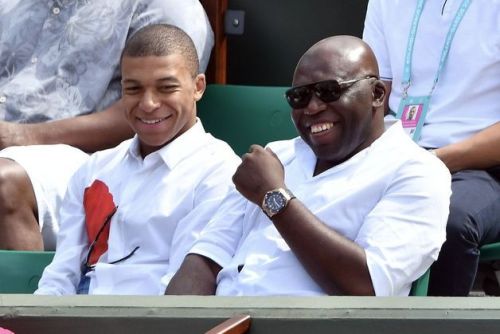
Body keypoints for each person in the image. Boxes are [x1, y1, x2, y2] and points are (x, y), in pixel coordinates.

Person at [165, 35, 451, 297]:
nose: (312, 108)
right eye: (299, 97)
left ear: (377, 94)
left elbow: (367, 285)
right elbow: (205, 258)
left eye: (329, 91)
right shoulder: (275, 156)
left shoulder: (417, 171)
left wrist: (273, 197)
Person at [35, 24, 240, 295]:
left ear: (197, 87)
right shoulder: (95, 168)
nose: (148, 103)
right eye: (133, 89)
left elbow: (188, 290)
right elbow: (61, 275)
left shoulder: (219, 171)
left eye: (166, 88)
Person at [0, 0, 214, 251]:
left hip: (92, 158)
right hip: (14, 142)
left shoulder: (168, 6)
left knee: (4, 179)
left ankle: (25, 289)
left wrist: (24, 136)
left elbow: (154, 111)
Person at [363, 0, 500, 296]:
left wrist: (430, 162)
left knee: (450, 221)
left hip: (480, 165)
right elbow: (373, 95)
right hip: (397, 151)